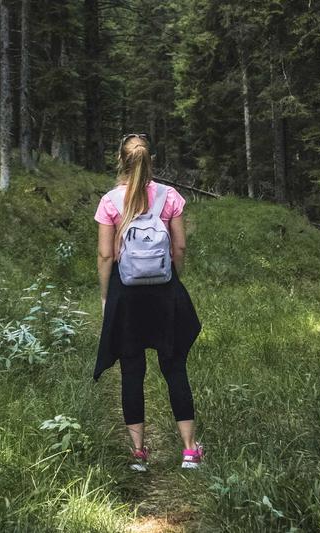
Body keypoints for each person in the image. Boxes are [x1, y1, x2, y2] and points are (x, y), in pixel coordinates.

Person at [93, 133, 203, 471]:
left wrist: (105, 295)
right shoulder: (169, 197)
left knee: (131, 371)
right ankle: (188, 451)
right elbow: (180, 248)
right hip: (163, 291)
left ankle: (139, 454)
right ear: (150, 160)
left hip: (127, 295)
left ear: (120, 161)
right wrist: (173, 276)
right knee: (174, 367)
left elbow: (105, 254)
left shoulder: (110, 201)